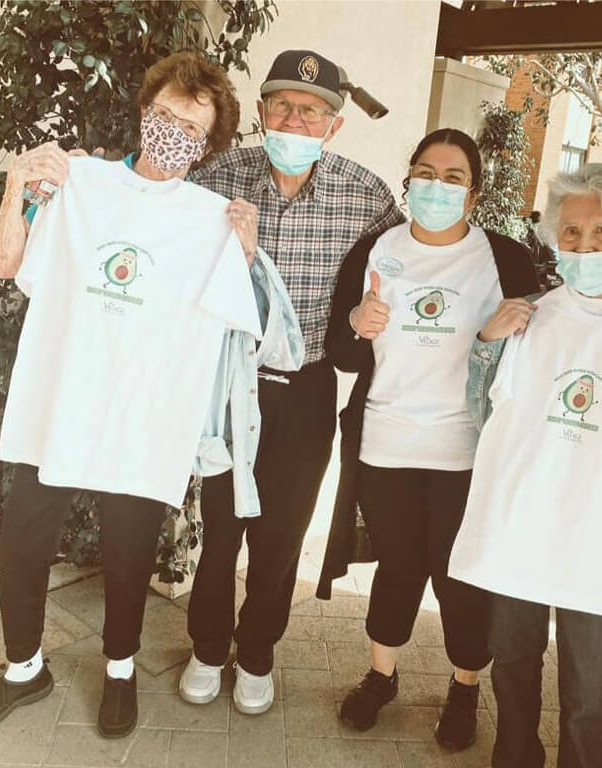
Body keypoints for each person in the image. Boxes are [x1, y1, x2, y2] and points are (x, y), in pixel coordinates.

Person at [0, 51, 302, 739]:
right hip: (63, 401)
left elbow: (258, 334)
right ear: (145, 111)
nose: (175, 133)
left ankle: (119, 670)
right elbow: (9, 265)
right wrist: (18, 182)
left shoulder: (211, 221)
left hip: (146, 415)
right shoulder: (79, 183)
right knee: (23, 540)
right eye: (167, 115)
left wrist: (249, 256)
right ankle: (24, 670)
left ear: (209, 147)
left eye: (192, 129)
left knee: (129, 550)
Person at [448, 163, 602, 768]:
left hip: (598, 537)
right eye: (571, 232)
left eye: (600, 233)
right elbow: (484, 417)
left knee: (591, 691)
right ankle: (515, 767)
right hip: (520, 526)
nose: (583, 246)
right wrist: (487, 340)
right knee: (513, 667)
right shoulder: (529, 316)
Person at [180, 49, 404, 715]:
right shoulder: (219, 176)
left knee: (281, 531)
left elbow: (415, 262)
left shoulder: (366, 195)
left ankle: (256, 652)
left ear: (334, 126)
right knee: (220, 524)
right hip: (229, 382)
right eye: (282, 105)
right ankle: (207, 645)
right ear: (260, 110)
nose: (294, 119)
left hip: (306, 387)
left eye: (311, 111)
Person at [315, 128, 540, 746]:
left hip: (468, 452)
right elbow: (341, 353)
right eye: (425, 172)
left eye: (453, 177)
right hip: (385, 446)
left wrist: (496, 334)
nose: (435, 186)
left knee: (460, 576)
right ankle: (380, 676)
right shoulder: (375, 249)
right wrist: (358, 323)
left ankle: (464, 687)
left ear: (473, 194)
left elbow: (540, 351)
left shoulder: (505, 259)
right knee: (398, 566)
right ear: (407, 179)